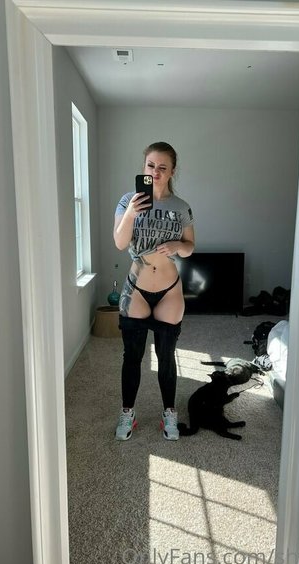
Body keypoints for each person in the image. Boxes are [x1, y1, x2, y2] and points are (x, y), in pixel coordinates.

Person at [113, 142, 195, 441]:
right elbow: (120, 243)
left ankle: (169, 413)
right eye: (151, 165)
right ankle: (127, 413)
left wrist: (178, 245)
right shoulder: (128, 201)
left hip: (169, 291)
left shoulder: (181, 206)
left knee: (166, 355)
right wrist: (131, 213)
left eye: (163, 167)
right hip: (136, 288)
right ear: (144, 167)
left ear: (172, 171)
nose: (156, 172)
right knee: (132, 356)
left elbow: (190, 247)